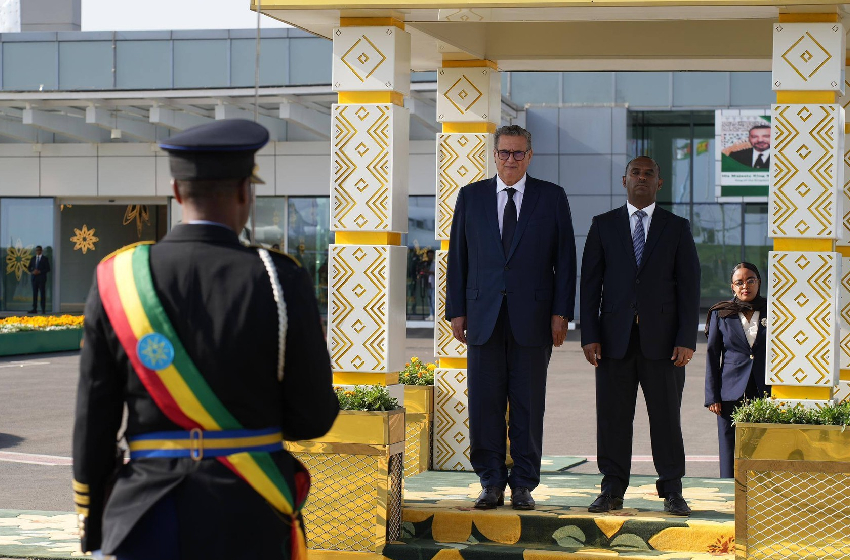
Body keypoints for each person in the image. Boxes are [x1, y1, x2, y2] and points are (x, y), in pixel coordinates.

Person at [72, 119, 339, 560]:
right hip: (249, 512)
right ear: (245, 193)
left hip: (144, 516)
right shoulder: (279, 279)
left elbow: (93, 422)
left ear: (177, 192)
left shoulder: (117, 279)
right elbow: (312, 418)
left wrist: (94, 522)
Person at [446, 124, 576, 511]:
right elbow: (458, 258)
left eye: (518, 153)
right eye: (504, 152)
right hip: (482, 317)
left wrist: (561, 312)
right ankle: (490, 482)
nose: (510, 160)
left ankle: (522, 484)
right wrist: (457, 310)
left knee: (527, 405)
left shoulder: (552, 197)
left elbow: (565, 260)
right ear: (495, 155)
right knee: (484, 405)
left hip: (533, 319)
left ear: (530, 156)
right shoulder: (471, 196)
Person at [580, 156, 700, 517]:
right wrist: (589, 334)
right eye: (636, 172)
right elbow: (590, 286)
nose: (642, 177)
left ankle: (672, 490)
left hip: (664, 344)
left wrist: (686, 338)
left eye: (649, 173)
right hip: (612, 342)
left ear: (659, 183)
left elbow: (689, 286)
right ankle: (612, 489)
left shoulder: (676, 227)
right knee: (613, 418)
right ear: (624, 180)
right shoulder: (603, 225)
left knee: (666, 419)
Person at [704, 262, 769, 479]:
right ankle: (728, 490)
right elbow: (713, 356)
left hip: (763, 389)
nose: (745, 286)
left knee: (761, 444)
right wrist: (712, 396)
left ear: (759, 282)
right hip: (730, 391)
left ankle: (759, 489)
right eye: (739, 282)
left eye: (750, 280)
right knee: (728, 445)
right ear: (732, 286)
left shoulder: (773, 310)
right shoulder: (721, 313)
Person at [28, 245, 50, 313]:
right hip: (34, 278)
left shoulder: (45, 259)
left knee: (42, 293)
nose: (38, 251)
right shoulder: (33, 258)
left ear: (41, 251)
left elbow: (48, 269)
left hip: (41, 279)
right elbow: (29, 267)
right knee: (35, 294)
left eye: (39, 250)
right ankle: (34, 308)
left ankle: (43, 309)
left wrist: (40, 271)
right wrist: (33, 271)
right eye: (37, 250)